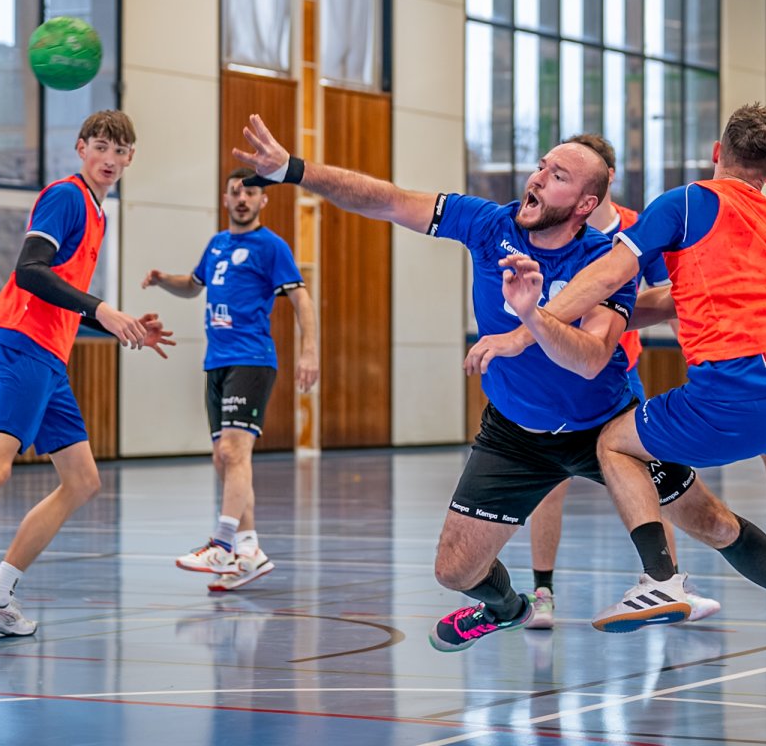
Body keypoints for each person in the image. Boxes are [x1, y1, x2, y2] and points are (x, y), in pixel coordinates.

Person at [232, 113, 728, 655]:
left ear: (589, 196)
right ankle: (514, 604)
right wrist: (295, 169)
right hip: (518, 430)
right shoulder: (489, 224)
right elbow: (390, 200)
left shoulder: (616, 248)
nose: (537, 177)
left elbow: (659, 303)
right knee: (456, 567)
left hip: (605, 417)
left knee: (710, 521)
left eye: (557, 172)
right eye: (541, 165)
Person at [500, 103, 766, 673]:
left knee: (613, 442)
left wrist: (526, 329)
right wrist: (617, 316)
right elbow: (675, 298)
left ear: (716, 152)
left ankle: (661, 579)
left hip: (731, 392)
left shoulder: (686, 201)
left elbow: (613, 272)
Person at [0, 110, 175, 657]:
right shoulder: (66, 197)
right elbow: (29, 272)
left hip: (51, 354)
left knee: (83, 480)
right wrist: (104, 309)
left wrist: (117, 323)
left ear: (131, 158)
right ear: (81, 148)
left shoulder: (97, 212)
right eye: (101, 147)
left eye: (121, 151)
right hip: (25, 344)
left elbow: (61, 290)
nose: (110, 159)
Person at [520, 133, 719, 630]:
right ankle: (542, 590)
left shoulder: (636, 228)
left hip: (617, 378)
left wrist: (697, 352)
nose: (550, 177)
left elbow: (666, 294)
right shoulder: (549, 222)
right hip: (553, 376)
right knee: (550, 486)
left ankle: (669, 582)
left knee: (652, 477)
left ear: (603, 181)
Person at [143, 166, 319, 591]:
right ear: (226, 199)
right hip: (216, 362)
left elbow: (300, 298)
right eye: (236, 192)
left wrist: (309, 350)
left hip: (251, 359)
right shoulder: (217, 245)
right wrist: (165, 280)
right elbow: (194, 284)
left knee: (235, 452)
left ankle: (222, 544)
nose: (242, 198)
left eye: (250, 193)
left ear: (263, 201)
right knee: (222, 457)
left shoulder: (270, 247)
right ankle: (249, 549)